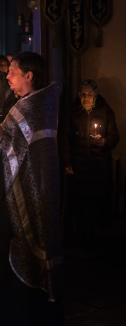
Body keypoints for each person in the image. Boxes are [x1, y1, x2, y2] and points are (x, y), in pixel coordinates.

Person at [0, 52, 63, 324]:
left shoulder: (28, 108)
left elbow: (18, 155)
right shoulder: (37, 103)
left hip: (21, 193)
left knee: (16, 246)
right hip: (25, 187)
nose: (7, 75)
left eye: (13, 71)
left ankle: (17, 309)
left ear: (28, 75)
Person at [61, 79, 119, 248]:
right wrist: (66, 162)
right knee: (80, 205)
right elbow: (64, 139)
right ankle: (81, 240)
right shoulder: (72, 112)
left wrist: (105, 142)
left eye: (89, 94)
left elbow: (115, 137)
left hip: (99, 167)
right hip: (78, 167)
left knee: (98, 205)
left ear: (96, 94)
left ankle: (99, 242)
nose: (86, 97)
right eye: (82, 94)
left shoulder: (105, 111)